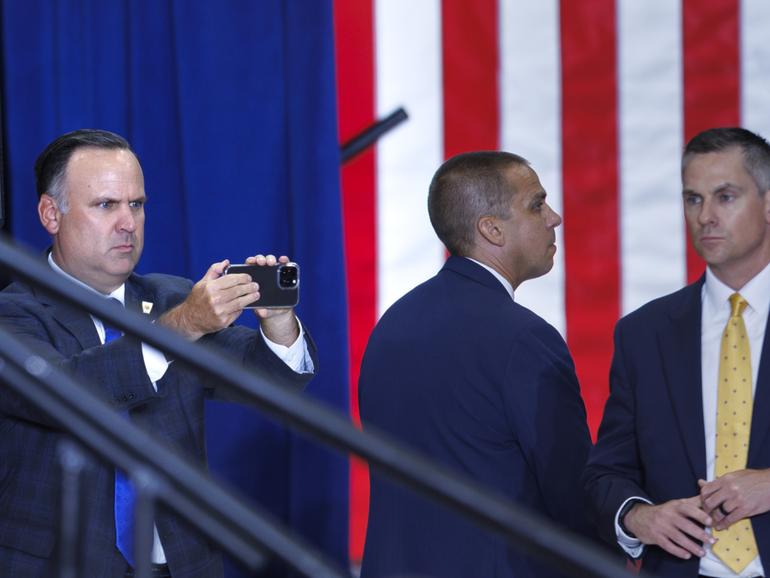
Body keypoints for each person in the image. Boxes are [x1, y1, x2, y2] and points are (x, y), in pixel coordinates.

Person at [0, 129, 317, 578]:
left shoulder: (169, 297)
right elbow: (67, 392)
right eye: (106, 205)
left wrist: (278, 321)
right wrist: (184, 325)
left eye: (137, 204)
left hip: (180, 564)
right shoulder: (13, 312)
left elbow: (272, 380)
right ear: (51, 214)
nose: (128, 223)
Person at [358, 151, 593, 578]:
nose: (554, 217)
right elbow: (572, 495)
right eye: (537, 204)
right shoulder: (525, 339)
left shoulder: (391, 325)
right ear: (492, 229)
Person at [584, 127, 770, 577]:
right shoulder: (643, 334)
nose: (705, 215)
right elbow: (606, 474)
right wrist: (639, 516)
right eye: (693, 199)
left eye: (725, 197)